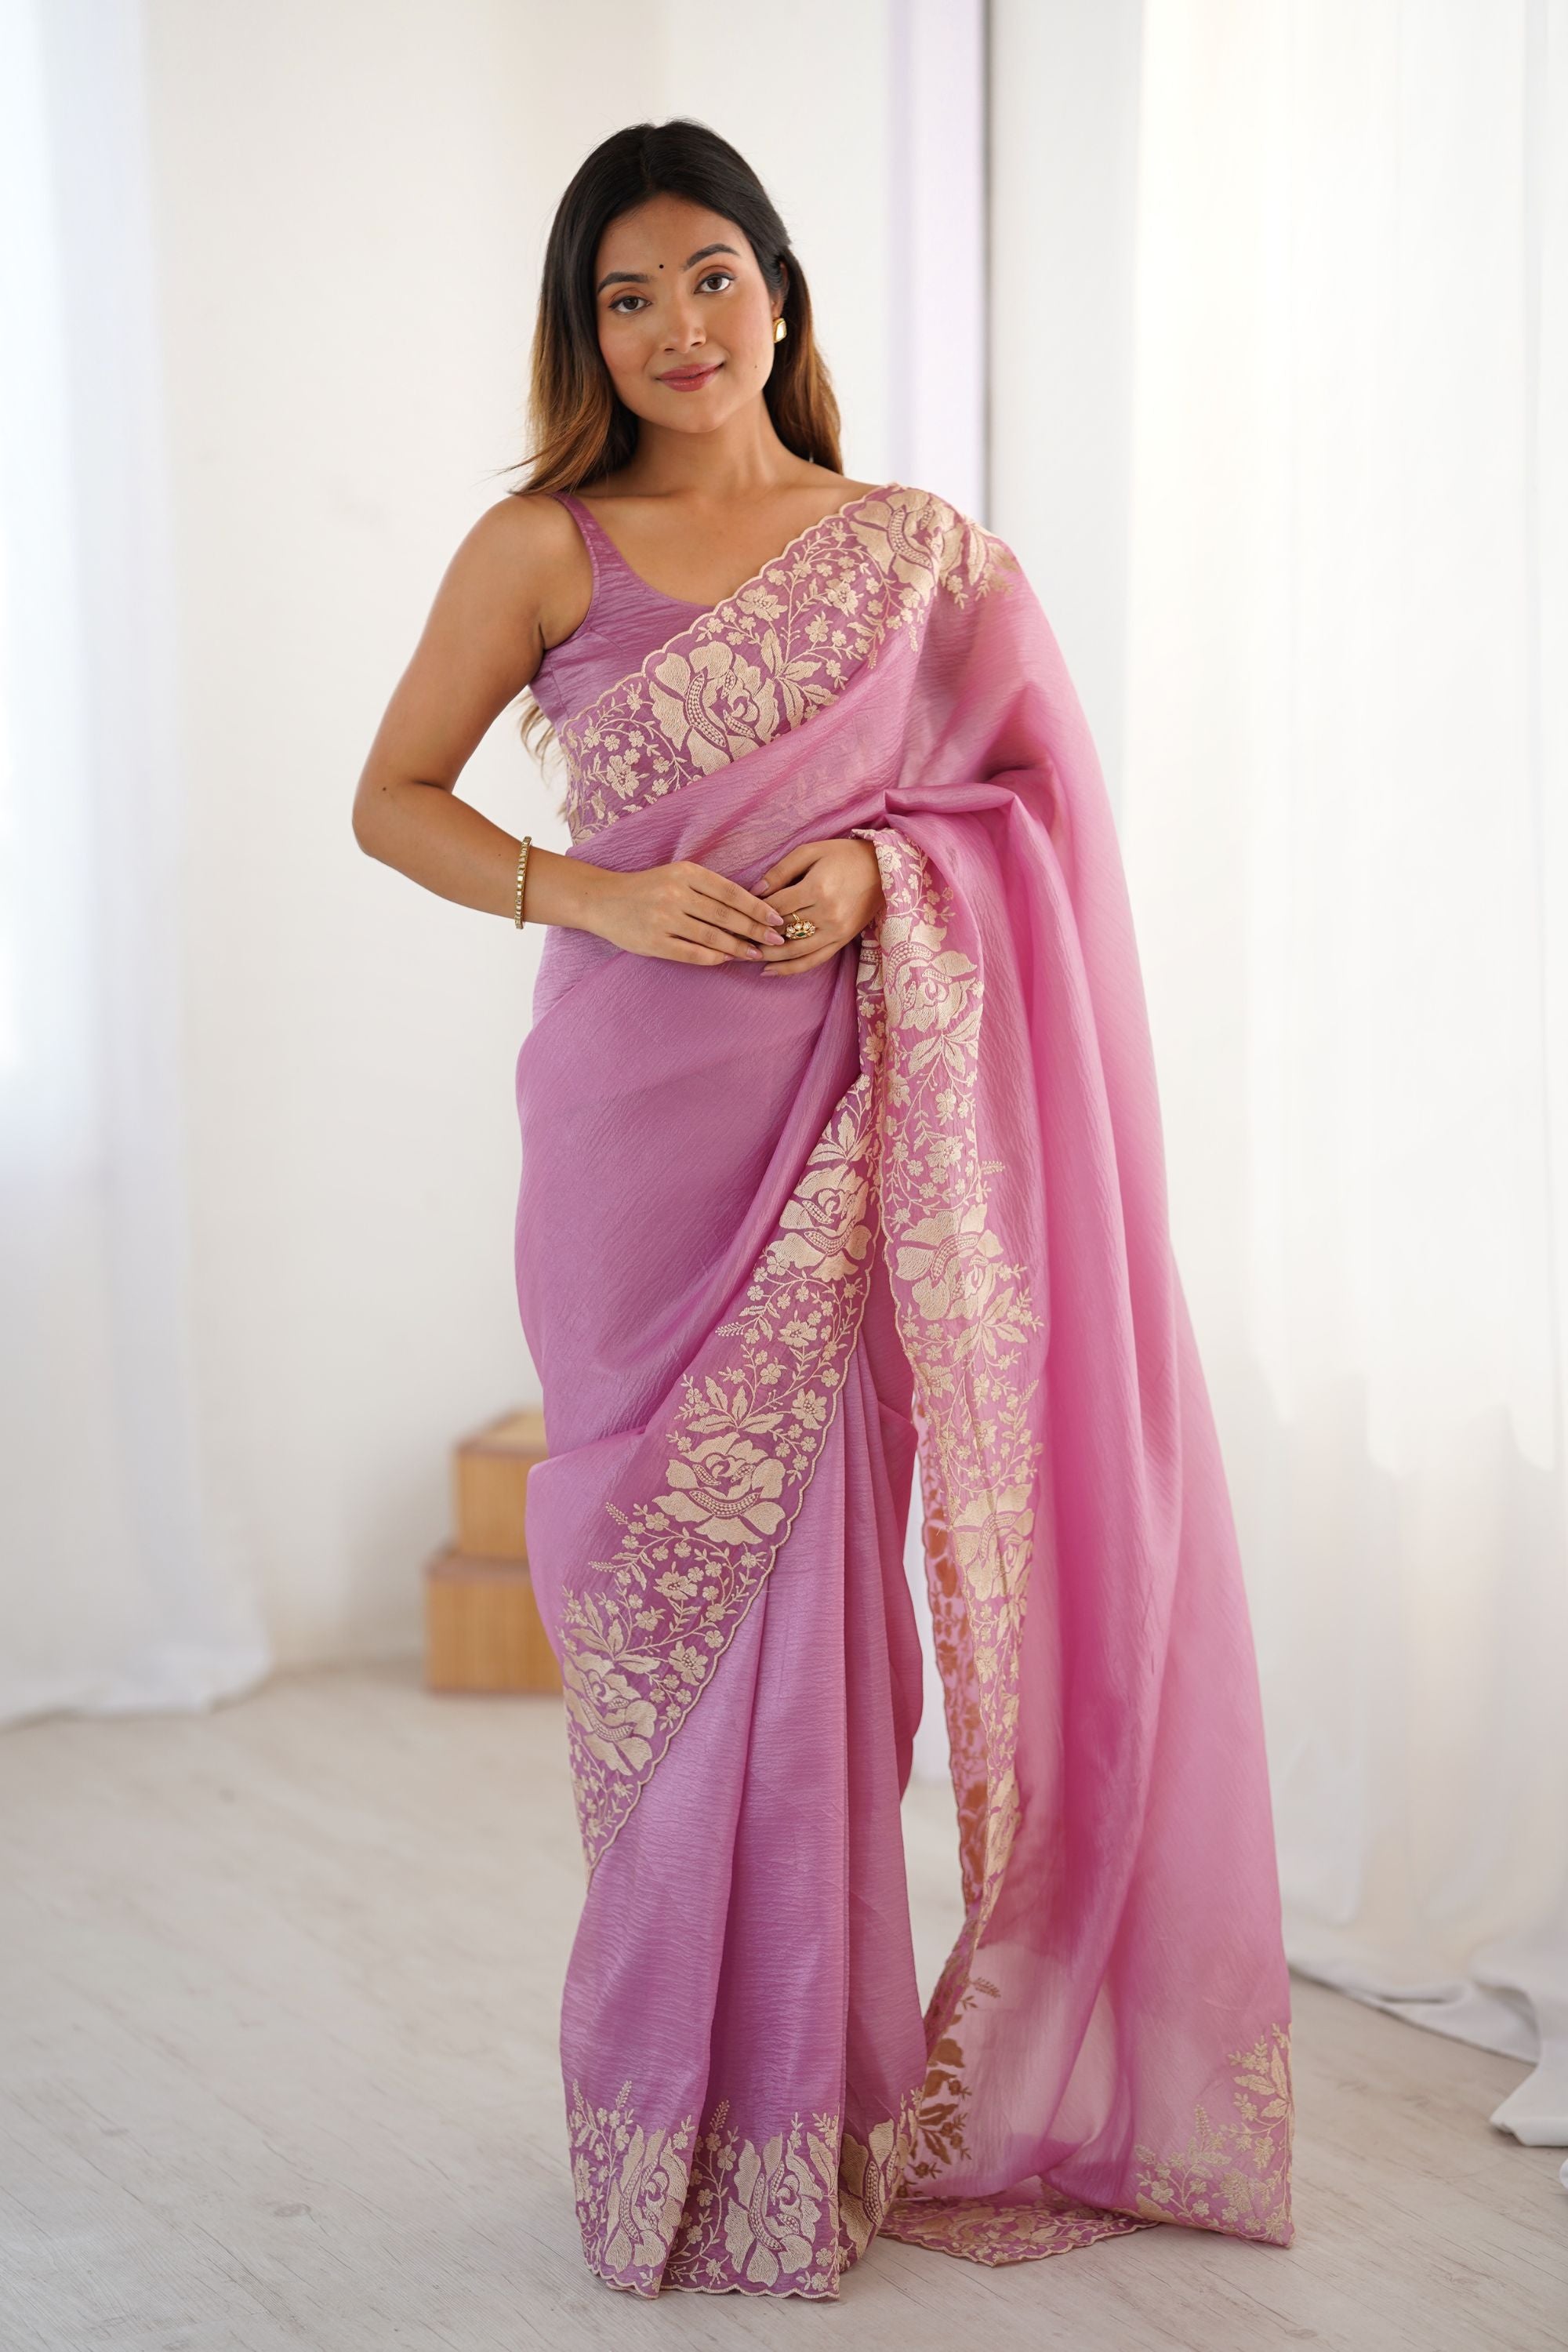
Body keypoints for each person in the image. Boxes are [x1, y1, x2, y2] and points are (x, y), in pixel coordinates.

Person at [352, 117, 1296, 2303]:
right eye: (627, 298)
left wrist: (883, 869)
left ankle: (809, 2122)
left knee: (831, 1628)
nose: (677, 328)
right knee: (658, 1624)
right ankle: (672, 2129)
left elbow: (1034, 810)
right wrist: (597, 892)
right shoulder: (542, 546)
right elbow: (390, 798)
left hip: (856, 1122)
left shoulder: (922, 559)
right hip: (631, 1136)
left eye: (710, 276)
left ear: (779, 292)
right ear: (587, 334)